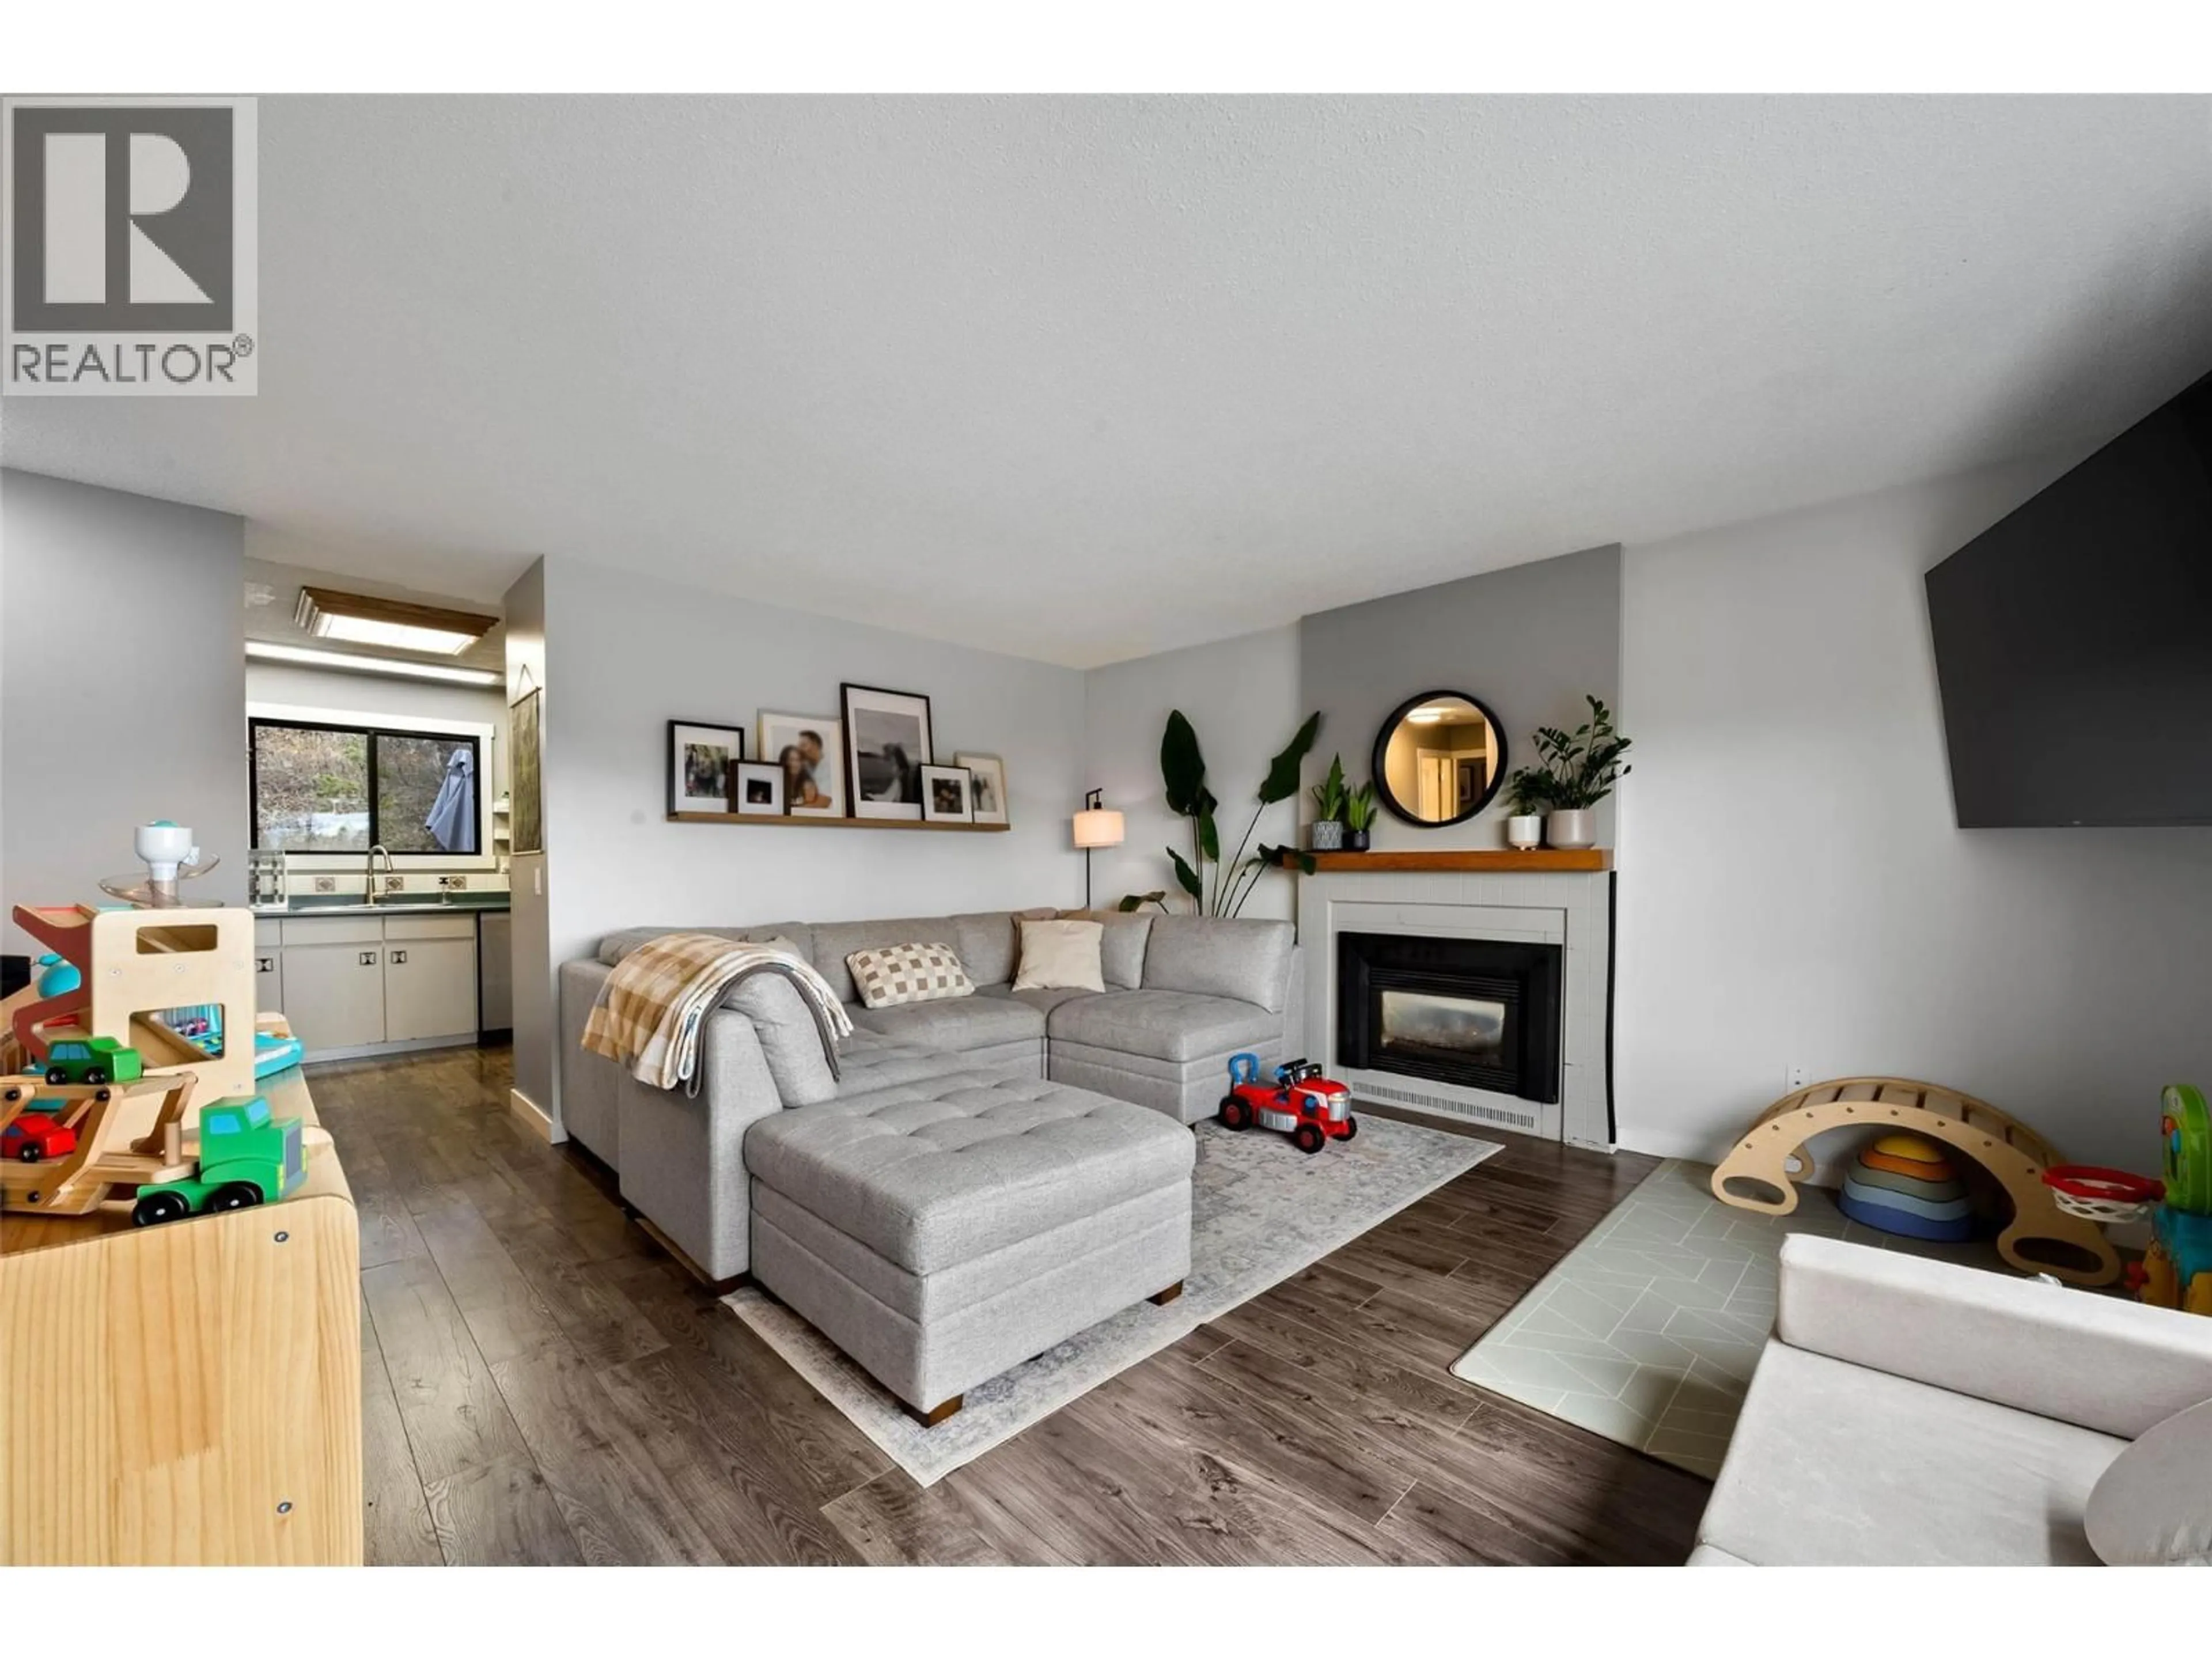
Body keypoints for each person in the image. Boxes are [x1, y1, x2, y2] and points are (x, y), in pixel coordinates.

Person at [779, 744, 828, 811]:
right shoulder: (778, 781)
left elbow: (825, 801)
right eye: (791, 760)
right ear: (784, 761)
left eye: (798, 760)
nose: (795, 764)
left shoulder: (808, 782)